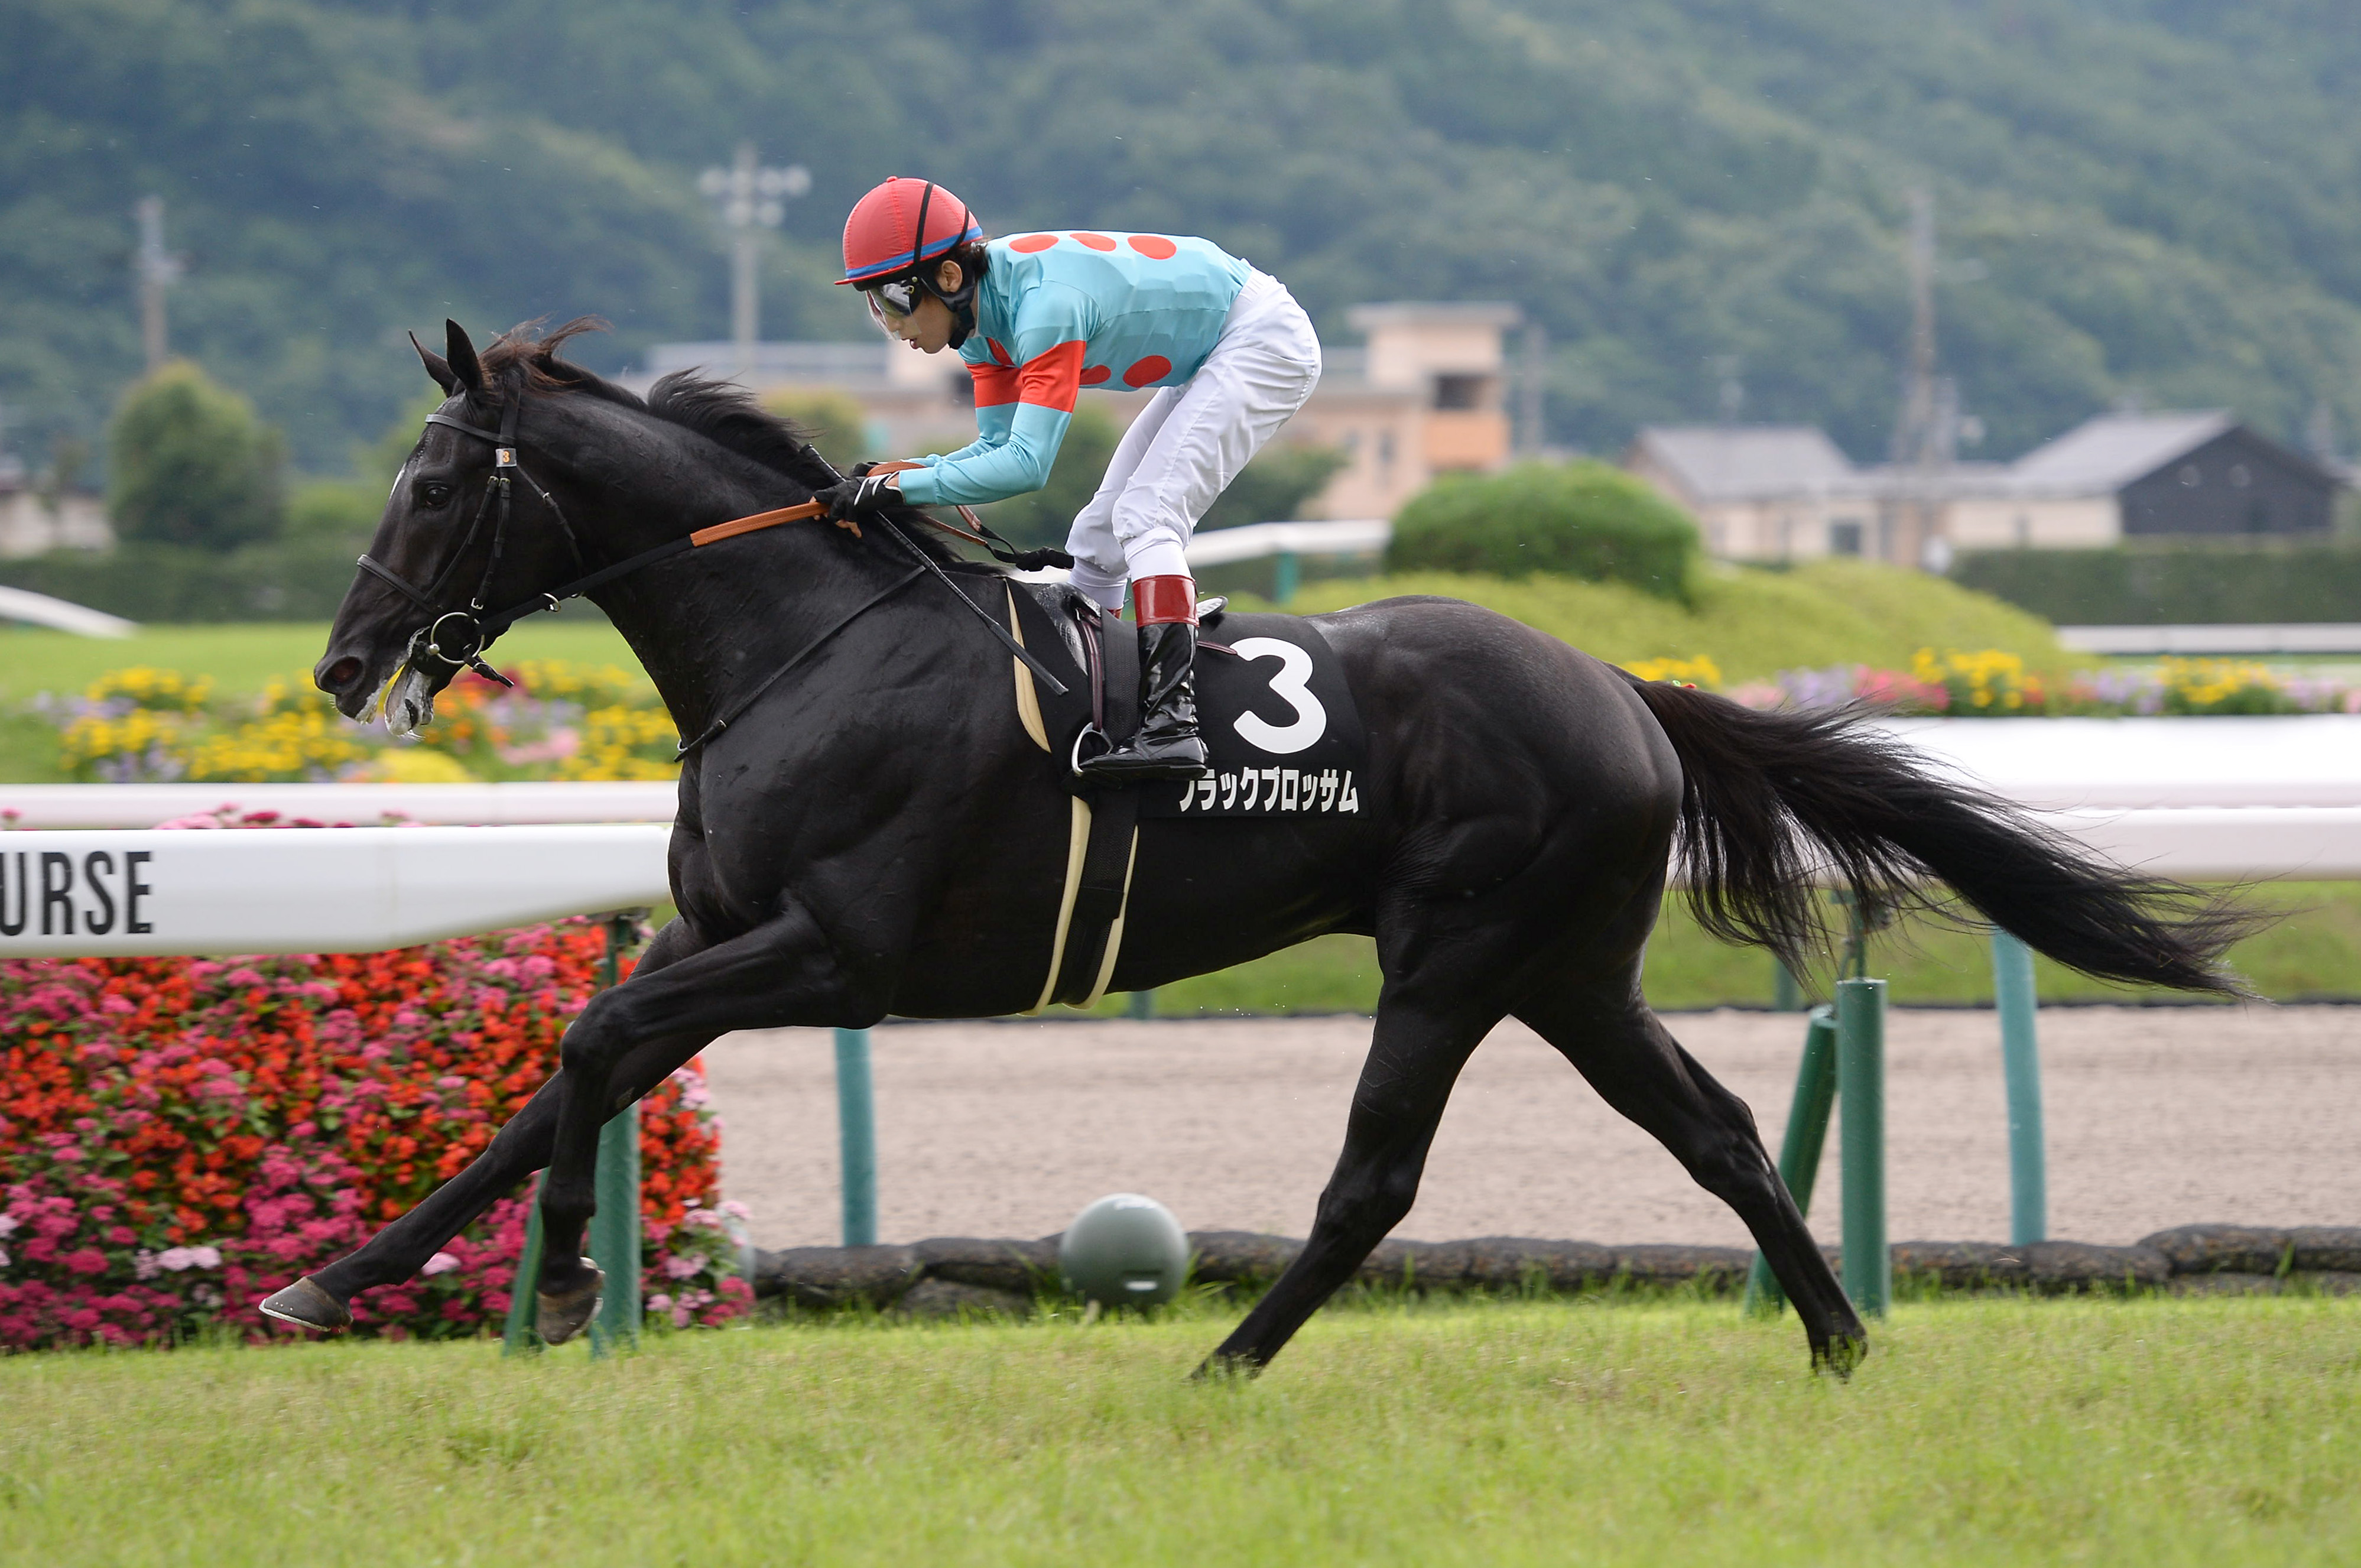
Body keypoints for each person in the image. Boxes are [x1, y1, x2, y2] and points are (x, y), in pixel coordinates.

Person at [812, 177, 1321, 783]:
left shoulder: (1042, 307)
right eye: (871, 305)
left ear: (948, 277)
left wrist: (898, 489)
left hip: (1260, 338)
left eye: (892, 299)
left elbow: (1027, 465)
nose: (889, 324)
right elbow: (993, 450)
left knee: (1146, 516)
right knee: (1097, 539)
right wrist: (901, 475)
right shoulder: (980, 326)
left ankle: (1172, 726)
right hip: (1211, 349)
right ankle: (1096, 707)